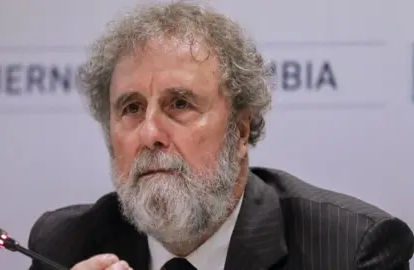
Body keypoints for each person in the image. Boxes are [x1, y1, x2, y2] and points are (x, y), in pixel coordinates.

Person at [27, 2, 414, 270]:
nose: (150, 134)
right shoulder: (64, 244)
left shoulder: (349, 249)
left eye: (179, 103)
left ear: (240, 130)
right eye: (130, 108)